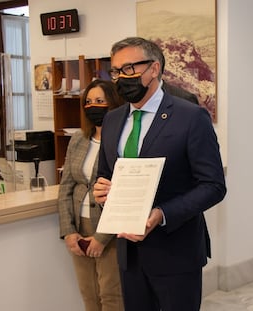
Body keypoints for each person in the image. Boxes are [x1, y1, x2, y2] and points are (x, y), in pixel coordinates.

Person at [93, 37, 226, 311]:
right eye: (116, 71)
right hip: (129, 256)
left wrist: (162, 214)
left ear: (154, 69)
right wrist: (101, 192)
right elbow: (105, 175)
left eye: (129, 69)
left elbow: (213, 185)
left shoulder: (191, 117)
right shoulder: (113, 119)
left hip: (176, 254)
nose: (120, 78)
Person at [57, 79, 125, 311]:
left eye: (99, 101)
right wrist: (68, 232)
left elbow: (123, 194)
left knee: (110, 295)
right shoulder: (78, 139)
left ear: (114, 104)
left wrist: (101, 238)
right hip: (79, 226)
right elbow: (66, 187)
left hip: (110, 230)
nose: (93, 106)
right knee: (89, 295)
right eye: (88, 102)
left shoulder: (123, 142)